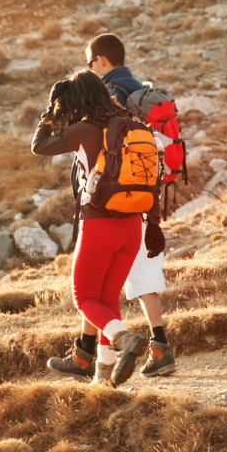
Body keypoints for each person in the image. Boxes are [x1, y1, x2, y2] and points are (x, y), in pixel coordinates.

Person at [31, 69, 165, 385]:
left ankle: (124, 338)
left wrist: (51, 111)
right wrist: (154, 225)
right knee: (107, 300)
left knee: (84, 298)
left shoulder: (85, 130)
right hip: (132, 226)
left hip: (99, 225)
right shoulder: (132, 124)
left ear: (76, 102)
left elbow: (39, 145)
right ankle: (103, 378)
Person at [82, 32, 176, 377]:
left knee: (96, 284)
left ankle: (99, 357)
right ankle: (154, 346)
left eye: (89, 63)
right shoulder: (143, 92)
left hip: (113, 204)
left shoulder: (107, 94)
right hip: (145, 200)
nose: (89, 69)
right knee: (142, 275)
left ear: (101, 61)